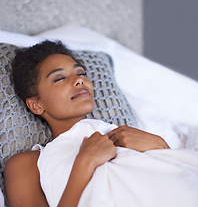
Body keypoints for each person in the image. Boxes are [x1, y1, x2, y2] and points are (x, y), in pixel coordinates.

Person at [4, 40, 170, 207]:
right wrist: (85, 163)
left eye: (81, 73)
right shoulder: (27, 165)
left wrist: (161, 146)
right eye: (60, 78)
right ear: (36, 105)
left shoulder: (127, 135)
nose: (79, 81)